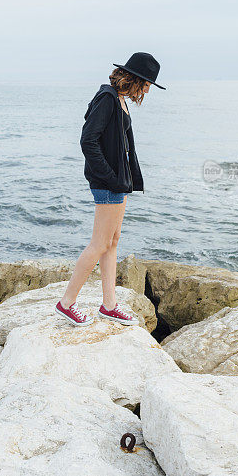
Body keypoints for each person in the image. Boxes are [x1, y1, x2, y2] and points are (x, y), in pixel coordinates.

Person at [55, 52, 165, 327]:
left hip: (118, 183)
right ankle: (66, 303)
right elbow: (88, 140)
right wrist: (110, 176)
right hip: (109, 184)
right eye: (148, 82)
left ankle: (109, 305)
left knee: (113, 241)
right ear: (135, 79)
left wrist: (122, 180)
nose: (148, 88)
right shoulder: (107, 99)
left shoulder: (119, 100)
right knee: (100, 243)